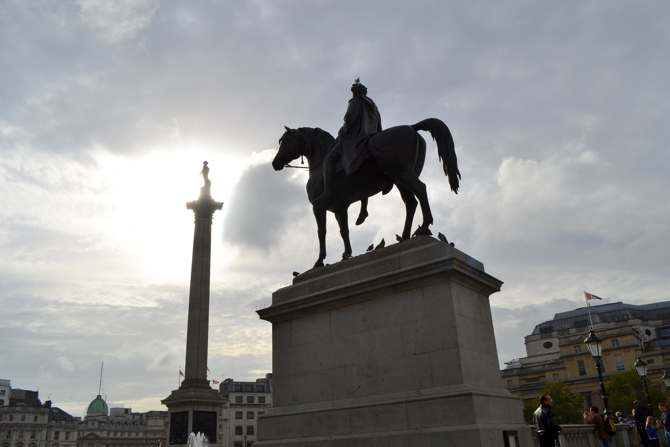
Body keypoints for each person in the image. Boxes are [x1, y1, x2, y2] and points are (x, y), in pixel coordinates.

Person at [314, 78, 382, 205]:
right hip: (371, 136)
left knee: (328, 161)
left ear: (354, 93)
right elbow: (378, 124)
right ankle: (364, 207)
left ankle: (327, 192)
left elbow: (349, 120)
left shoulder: (355, 101)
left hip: (355, 138)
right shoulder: (373, 106)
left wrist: (341, 132)